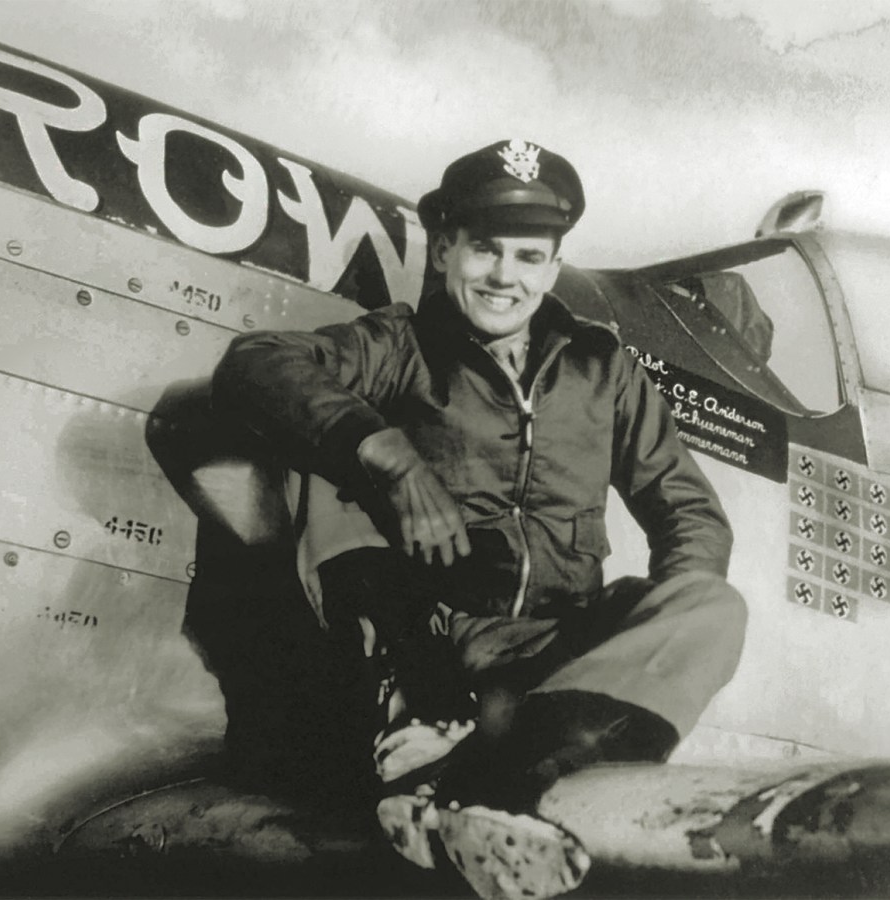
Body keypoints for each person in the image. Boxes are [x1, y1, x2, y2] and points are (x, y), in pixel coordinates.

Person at [209, 139, 748, 896]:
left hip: (557, 659)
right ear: (445, 253)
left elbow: (689, 512)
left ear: (553, 268)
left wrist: (649, 632)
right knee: (312, 472)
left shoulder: (604, 371)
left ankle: (489, 781)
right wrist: (387, 456)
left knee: (713, 604)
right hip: (437, 649)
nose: (505, 276)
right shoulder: (400, 346)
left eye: (530, 257)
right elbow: (257, 362)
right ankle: (476, 774)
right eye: (485, 250)